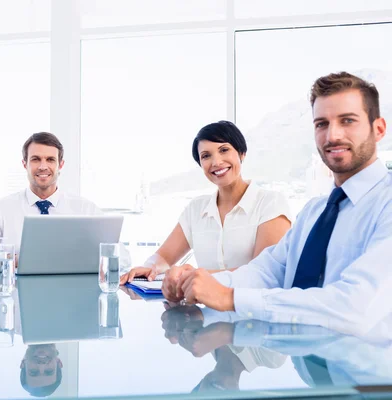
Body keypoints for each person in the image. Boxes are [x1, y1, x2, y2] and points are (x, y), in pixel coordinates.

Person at [164, 72, 392, 336]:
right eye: (321, 124)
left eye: (347, 121)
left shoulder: (386, 204)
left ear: (379, 129)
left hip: (368, 375)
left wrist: (230, 298)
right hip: (306, 367)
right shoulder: (314, 213)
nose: (333, 135)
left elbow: (355, 307)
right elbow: (266, 272)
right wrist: (194, 282)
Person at [121, 121, 291, 284]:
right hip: (205, 311)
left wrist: (197, 276)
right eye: (206, 156)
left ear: (241, 153)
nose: (216, 162)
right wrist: (150, 268)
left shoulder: (270, 203)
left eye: (224, 150)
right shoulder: (196, 209)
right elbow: (164, 257)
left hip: (253, 310)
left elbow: (264, 273)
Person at [0, 132, 104, 263]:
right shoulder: (0, 210)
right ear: (25, 164)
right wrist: (13, 259)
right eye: (36, 159)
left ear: (61, 165)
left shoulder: (85, 209)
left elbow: (120, 255)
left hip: (73, 291)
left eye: (50, 160)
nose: (43, 166)